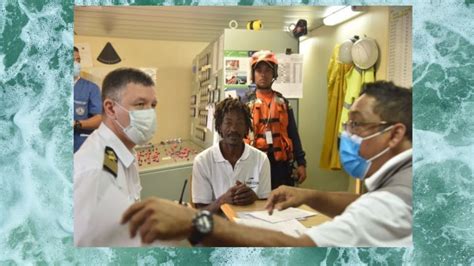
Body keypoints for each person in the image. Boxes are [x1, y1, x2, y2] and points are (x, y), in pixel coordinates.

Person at [121, 81, 412, 247]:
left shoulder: (390, 206)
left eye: (357, 125)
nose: (346, 135)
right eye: (346, 124)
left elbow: (300, 251)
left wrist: (194, 222)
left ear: (395, 134)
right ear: (219, 127)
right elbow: (363, 201)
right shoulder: (404, 180)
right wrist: (311, 194)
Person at [74, 68, 157, 246]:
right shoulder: (94, 171)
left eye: (153, 106)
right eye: (140, 104)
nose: (149, 114)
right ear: (111, 108)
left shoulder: (121, 153)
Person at [192, 98, 271, 213]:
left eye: (239, 123)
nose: (233, 129)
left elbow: (266, 204)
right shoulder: (202, 161)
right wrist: (223, 201)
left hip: (250, 227)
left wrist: (254, 198)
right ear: (219, 126)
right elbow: (201, 212)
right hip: (219, 228)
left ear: (246, 128)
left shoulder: (261, 159)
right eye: (228, 123)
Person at [245, 50, 307, 189]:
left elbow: (293, 134)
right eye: (259, 70)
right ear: (253, 74)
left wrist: (301, 163)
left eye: (267, 70)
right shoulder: (245, 104)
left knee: (281, 205)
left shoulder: (283, 103)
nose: (263, 74)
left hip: (281, 167)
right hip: (254, 164)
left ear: (274, 73)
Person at [73, 46, 102, 153]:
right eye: (72, 60)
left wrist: (75, 124)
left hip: (82, 147)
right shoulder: (53, 87)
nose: (76, 64)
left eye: (78, 60)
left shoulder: (91, 88)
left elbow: (99, 120)